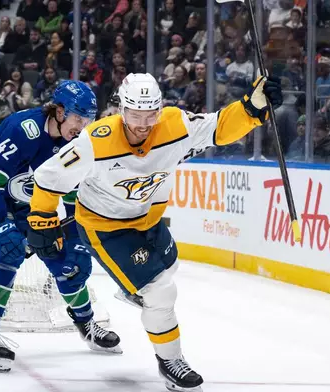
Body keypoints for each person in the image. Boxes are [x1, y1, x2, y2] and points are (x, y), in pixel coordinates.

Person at [26, 73, 283, 391]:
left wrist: (252, 107)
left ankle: (131, 286)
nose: (143, 124)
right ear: (122, 109)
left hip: (149, 221)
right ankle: (171, 362)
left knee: (170, 266)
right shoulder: (96, 141)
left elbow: (217, 127)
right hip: (105, 228)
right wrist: (41, 219)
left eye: (151, 114)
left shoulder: (176, 124)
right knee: (161, 291)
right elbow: (49, 177)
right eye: (135, 114)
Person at [0, 80, 122, 373]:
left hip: (22, 192)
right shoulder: (24, 130)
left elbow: (73, 197)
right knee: (8, 247)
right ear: (59, 111)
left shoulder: (78, 144)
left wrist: (75, 236)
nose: (82, 126)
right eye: (77, 118)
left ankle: (86, 323)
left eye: (87, 120)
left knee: (65, 257)